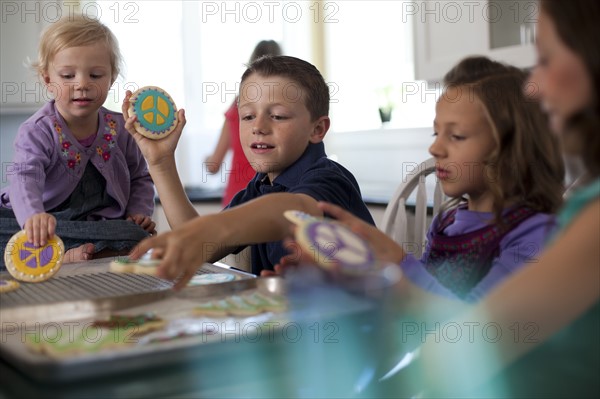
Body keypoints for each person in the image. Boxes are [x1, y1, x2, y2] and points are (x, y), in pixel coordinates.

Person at [292, 0, 600, 396]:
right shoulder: (452, 221)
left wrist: (390, 267)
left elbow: (472, 337)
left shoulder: (559, 226)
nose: (533, 85)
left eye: (545, 57)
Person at [280, 56, 565, 303]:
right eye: (435, 133)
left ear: (513, 147)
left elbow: (477, 328)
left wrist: (398, 261)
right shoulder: (447, 222)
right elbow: (420, 309)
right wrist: (334, 280)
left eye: (456, 136)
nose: (435, 148)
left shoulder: (534, 233)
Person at [122, 55, 374, 284]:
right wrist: (161, 162)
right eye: (248, 116)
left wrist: (218, 226)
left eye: (277, 116)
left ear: (317, 129)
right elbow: (204, 247)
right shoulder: (260, 186)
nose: (259, 126)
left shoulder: (329, 179)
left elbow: (293, 211)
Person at [0, 15, 156, 269]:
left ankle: (61, 256)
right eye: (68, 75)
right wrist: (33, 216)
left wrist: (138, 212)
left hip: (97, 227)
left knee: (136, 237)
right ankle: (59, 254)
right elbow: (24, 176)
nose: (82, 84)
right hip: (45, 224)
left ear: (112, 78)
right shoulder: (38, 130)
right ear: (48, 80)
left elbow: (140, 177)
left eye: (95, 75)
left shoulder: (122, 129)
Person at [205, 40, 283, 207]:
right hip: (269, 200)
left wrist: (206, 160)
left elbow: (213, 165)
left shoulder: (236, 107)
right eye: (248, 117)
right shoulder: (286, 107)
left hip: (236, 200)